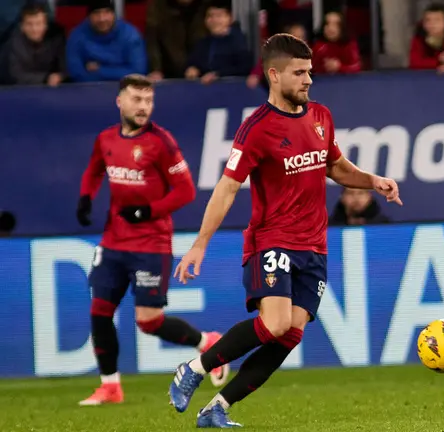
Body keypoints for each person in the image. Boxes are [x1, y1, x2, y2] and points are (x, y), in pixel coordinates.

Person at [168, 33, 402, 428]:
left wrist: (372, 180)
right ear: (274, 75)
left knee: (290, 334)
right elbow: (227, 188)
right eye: (299, 73)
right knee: (275, 324)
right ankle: (193, 368)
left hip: (315, 246)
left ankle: (217, 408)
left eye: (309, 71)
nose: (308, 80)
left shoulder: (321, 116)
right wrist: (199, 245)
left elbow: (335, 166)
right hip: (272, 240)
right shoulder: (256, 129)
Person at [76, 74, 229, 406]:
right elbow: (94, 170)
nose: (143, 107)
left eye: (148, 100)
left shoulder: (161, 142)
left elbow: (186, 190)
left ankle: (207, 343)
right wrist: (86, 197)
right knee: (100, 311)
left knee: (149, 322)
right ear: (120, 101)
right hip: (113, 241)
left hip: (151, 244)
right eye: (137, 99)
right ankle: (110, 387)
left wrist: (148, 211)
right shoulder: (106, 138)